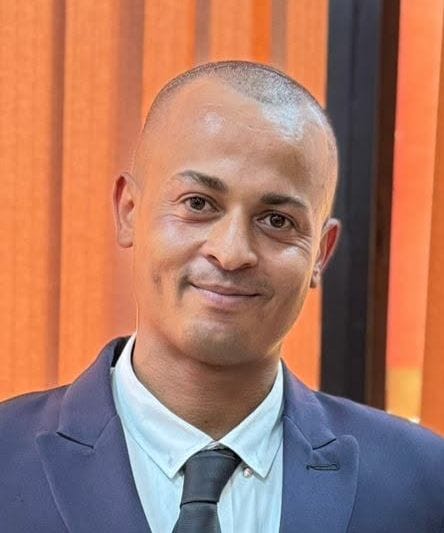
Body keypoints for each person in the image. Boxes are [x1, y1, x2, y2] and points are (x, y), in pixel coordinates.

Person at [0, 61, 443, 533]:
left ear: (321, 252)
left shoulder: (423, 484)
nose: (231, 253)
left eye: (277, 220)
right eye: (198, 204)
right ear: (129, 211)